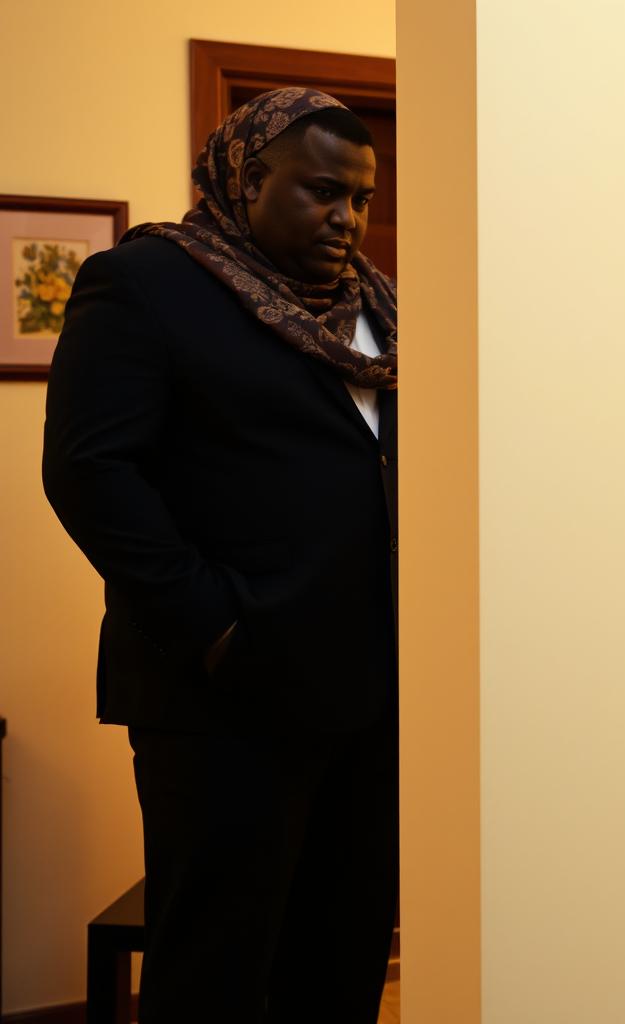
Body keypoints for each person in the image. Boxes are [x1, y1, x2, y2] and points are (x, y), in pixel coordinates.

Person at [42, 88, 398, 1022]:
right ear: (245, 179)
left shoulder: (379, 310)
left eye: (360, 198)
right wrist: (219, 629)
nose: (347, 218)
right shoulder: (150, 283)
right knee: (218, 972)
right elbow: (90, 473)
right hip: (225, 698)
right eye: (323, 191)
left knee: (344, 957)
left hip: (369, 695)